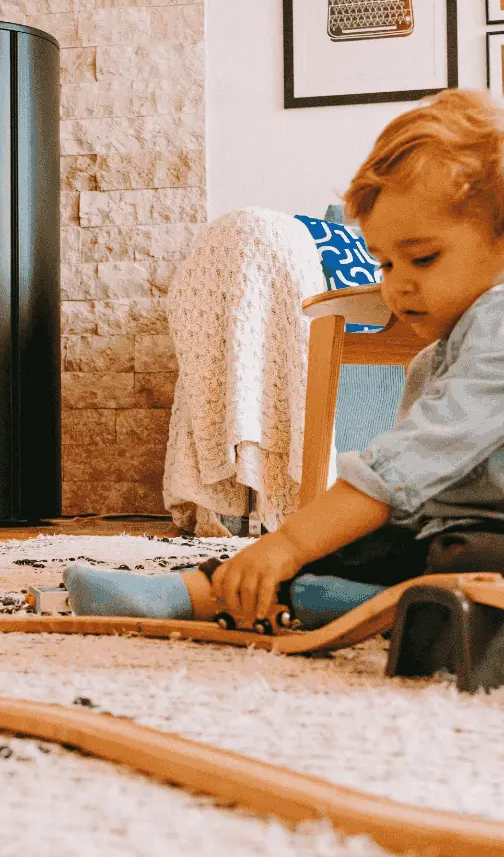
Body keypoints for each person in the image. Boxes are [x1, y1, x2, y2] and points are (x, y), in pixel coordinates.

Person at [67, 88, 504, 629]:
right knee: (371, 536)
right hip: (447, 530)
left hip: (482, 544)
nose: (398, 286)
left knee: (458, 558)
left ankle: (362, 602)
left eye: (422, 257)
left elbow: (408, 464)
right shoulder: (437, 356)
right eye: (386, 264)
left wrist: (292, 541)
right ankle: (210, 590)